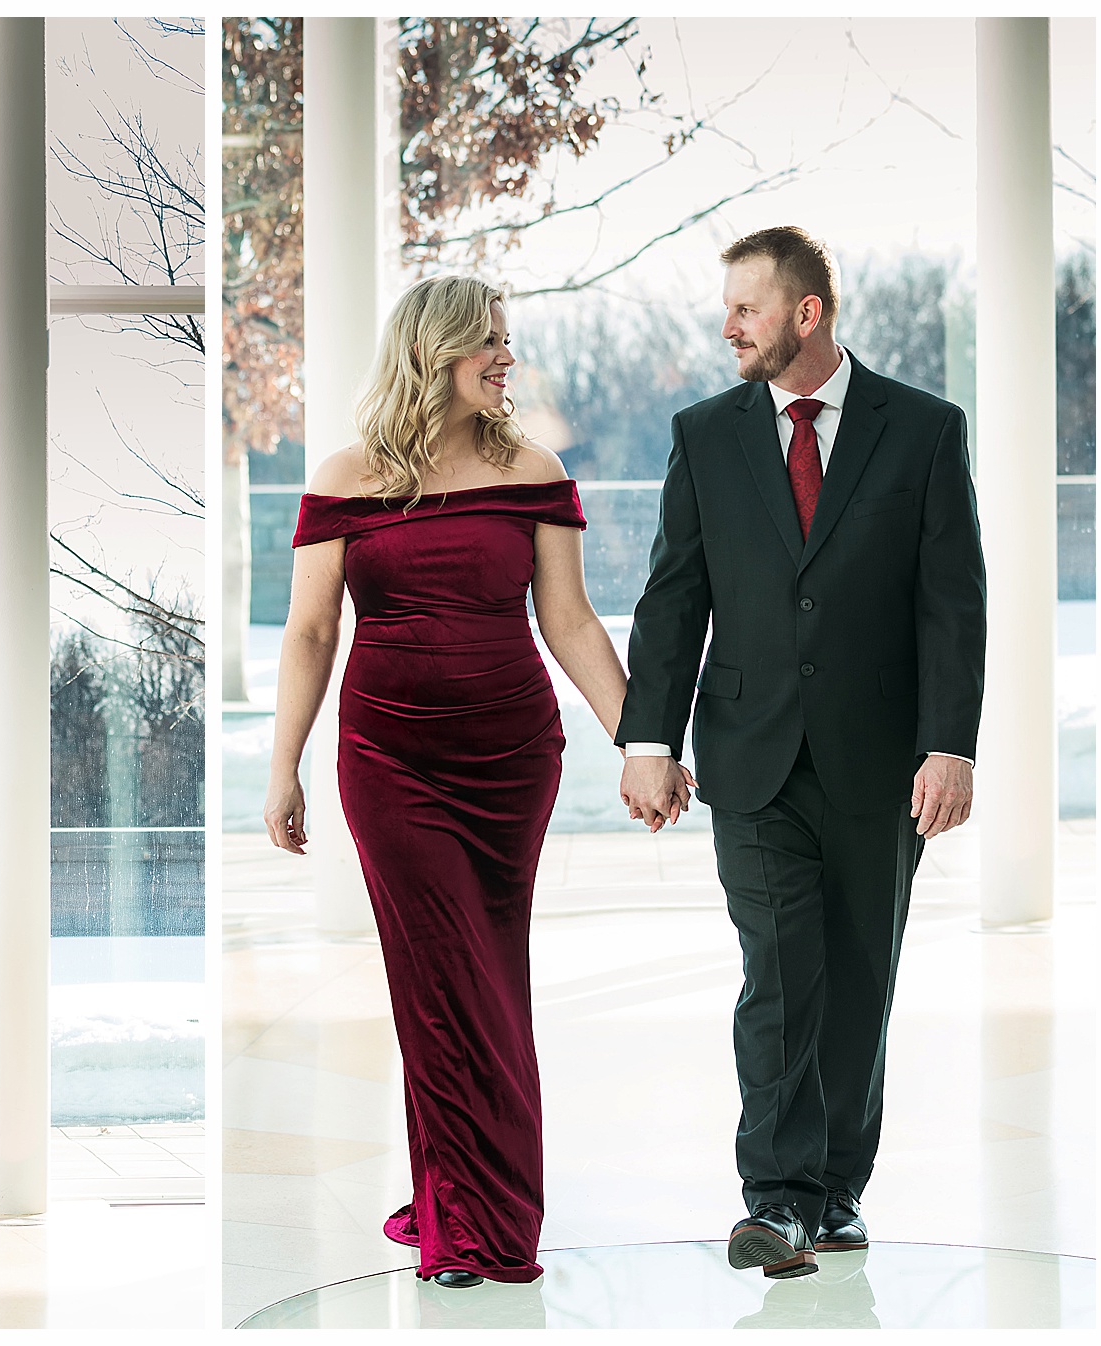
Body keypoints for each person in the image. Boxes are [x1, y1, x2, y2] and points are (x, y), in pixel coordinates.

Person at [263, 275, 676, 1287]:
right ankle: (469, 1227)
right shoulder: (347, 474)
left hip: (509, 760)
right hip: (390, 761)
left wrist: (644, 740)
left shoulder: (532, 465)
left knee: (487, 979)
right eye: (491, 341)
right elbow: (313, 628)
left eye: (508, 339)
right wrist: (284, 763)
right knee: (439, 982)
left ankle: (479, 1202)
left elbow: (571, 622)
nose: (507, 357)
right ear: (434, 349)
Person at [617, 225, 986, 1280]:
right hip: (752, 755)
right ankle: (775, 1197)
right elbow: (674, 597)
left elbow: (953, 604)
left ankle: (835, 1194)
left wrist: (948, 744)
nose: (728, 325)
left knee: (861, 975)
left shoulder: (922, 430)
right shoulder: (705, 436)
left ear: (807, 314)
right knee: (779, 970)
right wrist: (651, 736)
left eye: (747, 306)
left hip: (883, 764)